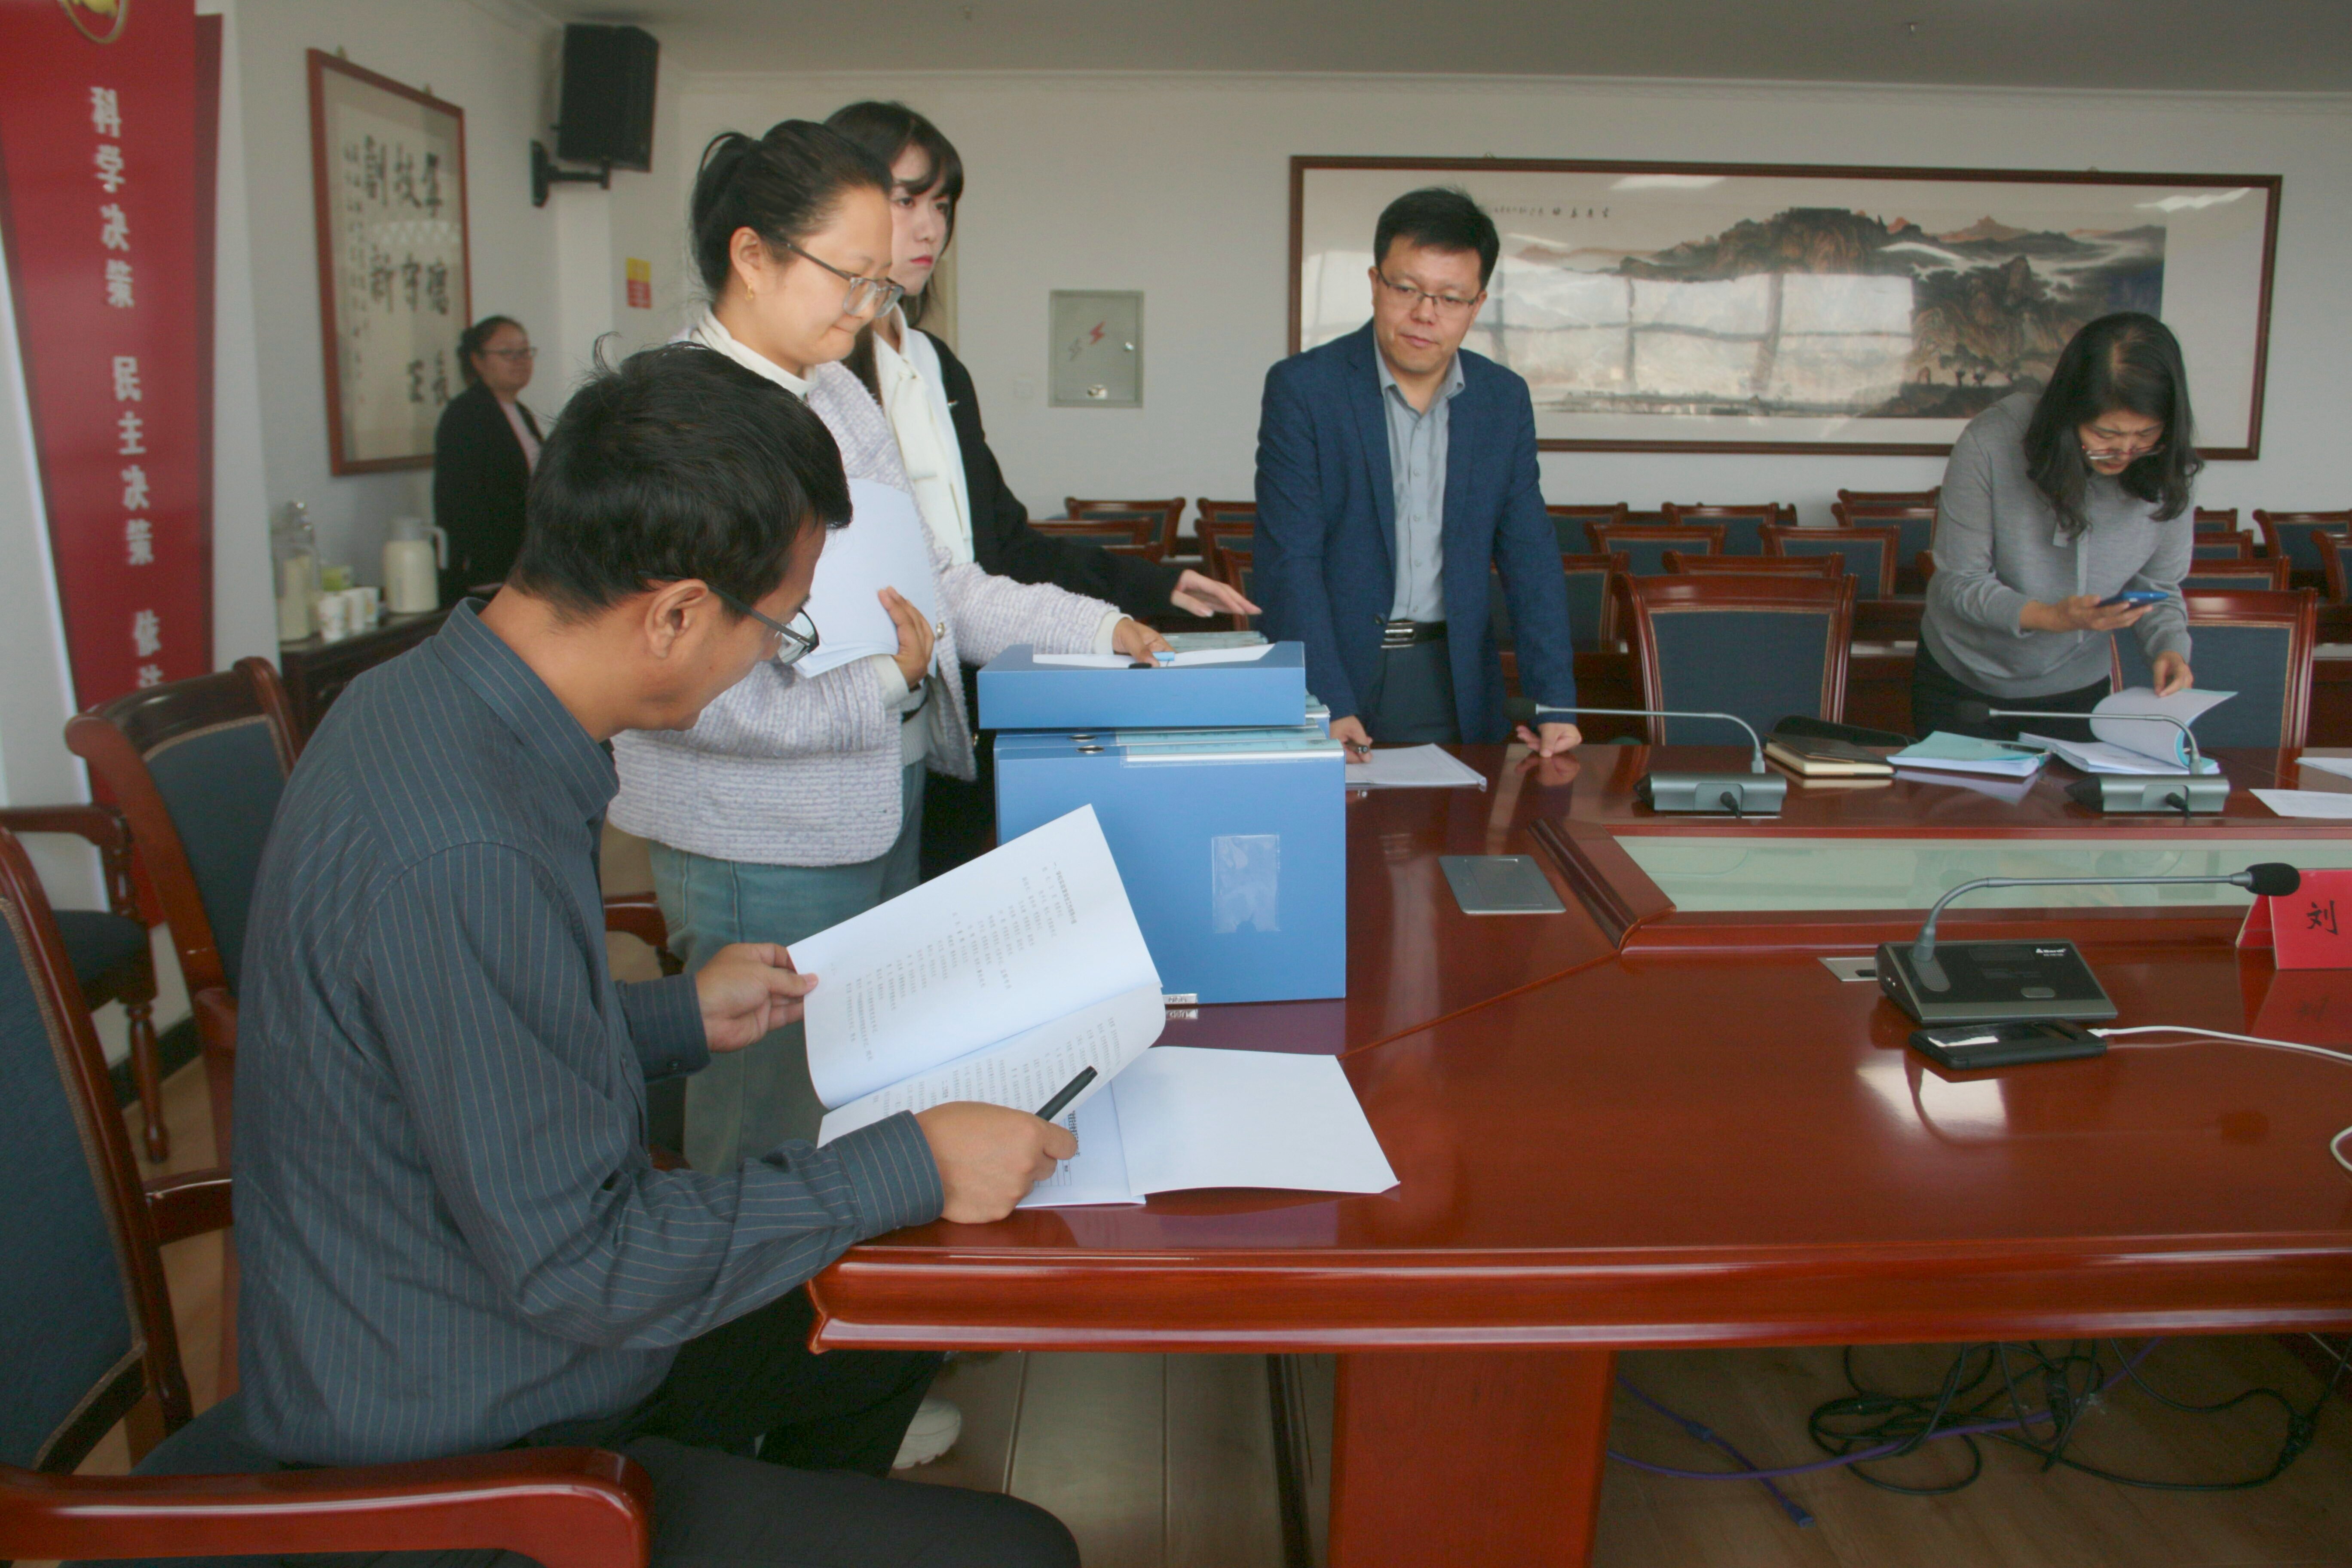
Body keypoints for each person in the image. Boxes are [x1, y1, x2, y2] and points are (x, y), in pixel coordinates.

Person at [230, 342, 1080, 1568]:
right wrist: (915, 1158)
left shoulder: (431, 707)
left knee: (885, 1308)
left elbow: (460, 1048)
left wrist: (677, 1015)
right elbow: (588, 1265)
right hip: (468, 1437)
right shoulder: (464, 842)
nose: (774, 655)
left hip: (480, 1312)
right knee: (1019, 1550)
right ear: (676, 613)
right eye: (781, 627)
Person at [610, 126, 1158, 1170]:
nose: (868, 309)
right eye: (849, 277)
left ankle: (857, 1274)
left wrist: (1092, 626)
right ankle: (765, 1286)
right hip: (761, 836)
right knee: (767, 1123)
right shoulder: (672, 418)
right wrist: (878, 686)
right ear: (753, 256)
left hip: (876, 799)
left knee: (865, 1097)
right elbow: (683, 688)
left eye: (880, 286)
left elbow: (935, 580)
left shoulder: (834, 391)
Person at [821, 99, 1258, 874]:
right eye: (905, 200)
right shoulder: (823, 374)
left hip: (959, 709)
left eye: (942, 205)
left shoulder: (936, 365)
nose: (929, 230)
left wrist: (1155, 583)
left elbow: (1004, 548)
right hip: (856, 726)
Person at [1253, 186, 1581, 762]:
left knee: (1457, 819)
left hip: (1450, 675)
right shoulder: (1305, 389)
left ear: (1476, 305)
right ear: (1375, 282)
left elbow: (1531, 558)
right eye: (1406, 289)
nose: (1426, 314)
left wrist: (1553, 702)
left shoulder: (1501, 400)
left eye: (1450, 298)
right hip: (1334, 665)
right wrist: (1325, 700)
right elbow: (1290, 560)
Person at [1915, 312, 2201, 742]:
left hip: (2077, 684)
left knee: (2069, 788)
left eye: (2146, 435)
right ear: (2069, 412)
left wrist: (2171, 648)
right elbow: (1959, 581)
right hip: (1965, 678)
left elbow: (2158, 587)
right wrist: (2052, 617)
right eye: (2105, 434)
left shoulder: (2170, 469)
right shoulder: (1992, 441)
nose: (2125, 451)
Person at [432, 314, 542, 600]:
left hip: (526, 564)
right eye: (507, 353)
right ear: (478, 361)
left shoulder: (521, 412)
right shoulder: (466, 414)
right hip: (490, 569)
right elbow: (462, 500)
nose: (520, 360)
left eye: (525, 351)